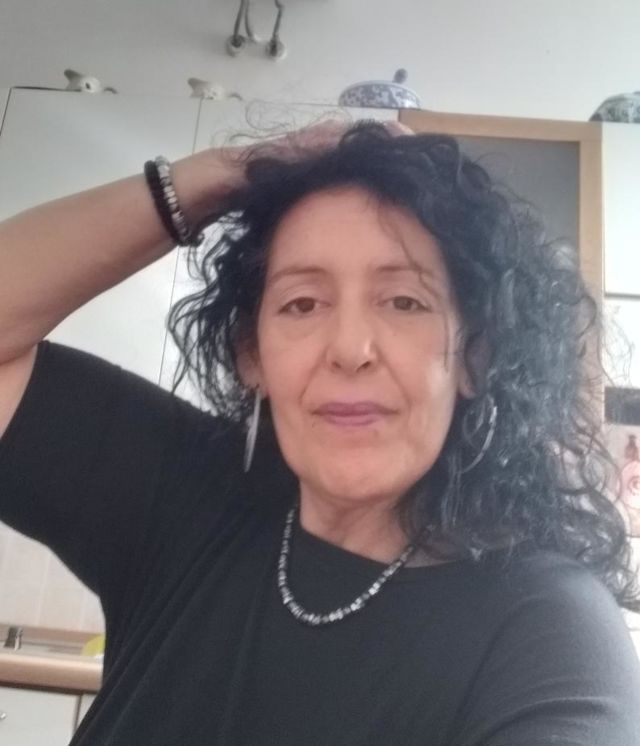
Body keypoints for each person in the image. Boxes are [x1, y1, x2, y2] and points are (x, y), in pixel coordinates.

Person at [0, 118, 639, 746]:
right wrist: (222, 176)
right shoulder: (182, 496)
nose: (350, 349)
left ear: (473, 358)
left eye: (405, 302)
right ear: (253, 354)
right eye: (302, 303)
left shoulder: (548, 633)